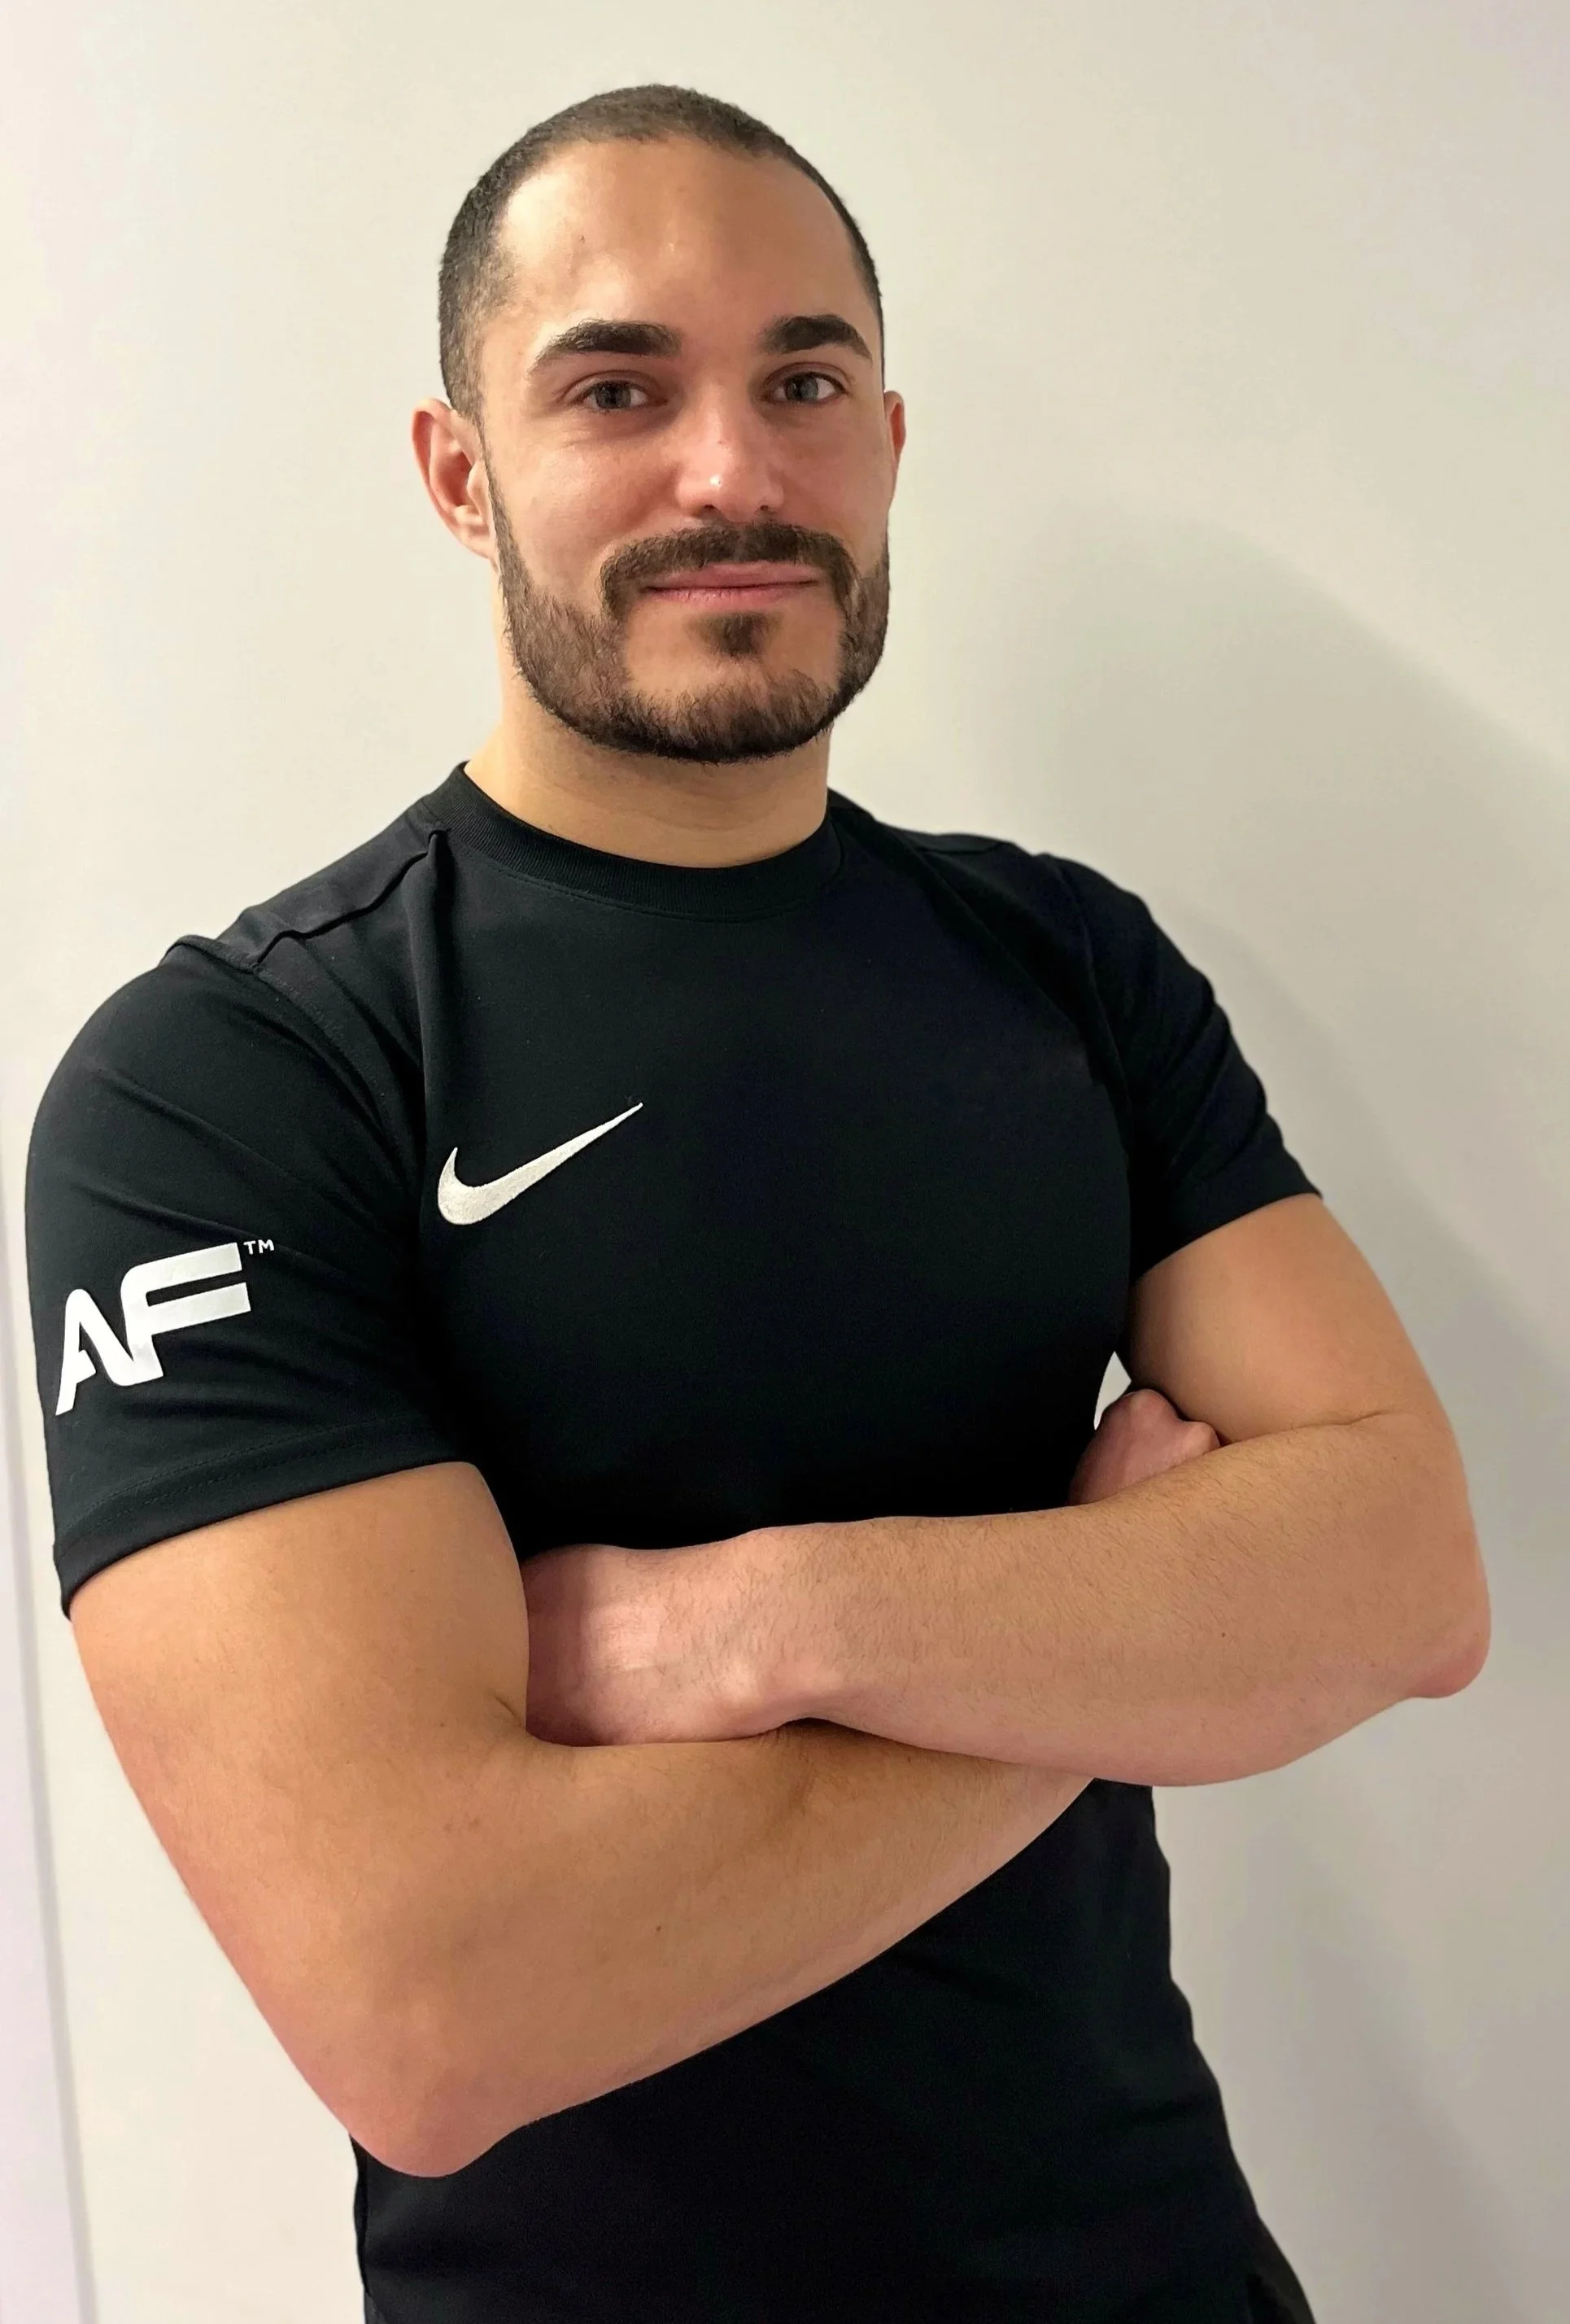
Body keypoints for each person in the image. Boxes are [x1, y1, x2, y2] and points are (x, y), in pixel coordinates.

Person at [25, 83, 1489, 2324]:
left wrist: (756, 1622)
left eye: (803, 382)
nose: (735, 470)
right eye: (619, 388)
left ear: (885, 443)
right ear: (457, 470)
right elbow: (427, 2003)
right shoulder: (236, 1079)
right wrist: (1119, 1639)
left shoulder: (1063, 968)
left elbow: (1401, 1579)